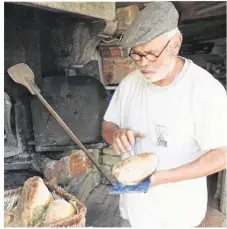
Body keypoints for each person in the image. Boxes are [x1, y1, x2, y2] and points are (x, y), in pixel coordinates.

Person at [101, 1, 227, 228]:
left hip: (178, 213)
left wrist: (160, 178)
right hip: (134, 209)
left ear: (175, 43)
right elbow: (108, 124)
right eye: (137, 54)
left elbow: (221, 155)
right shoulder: (130, 83)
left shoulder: (205, 90)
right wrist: (116, 135)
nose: (143, 63)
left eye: (151, 54)